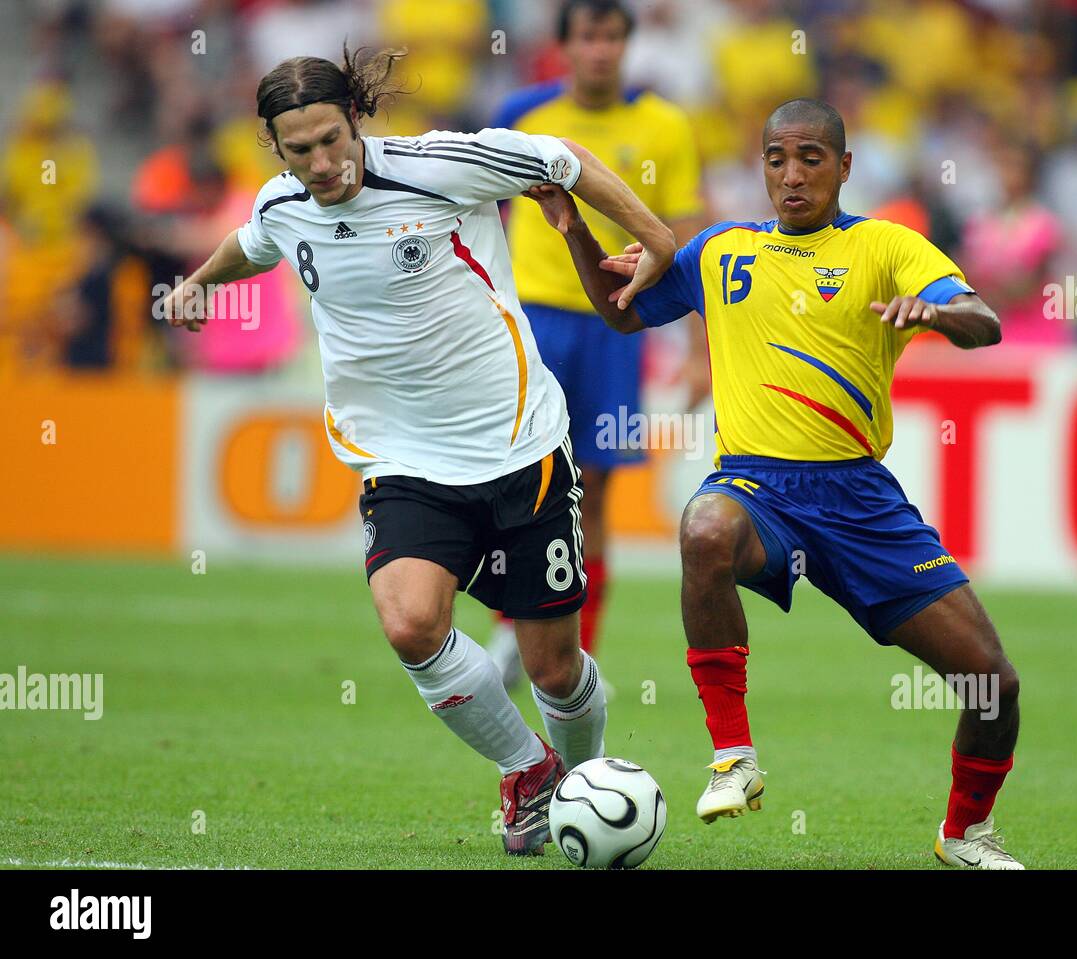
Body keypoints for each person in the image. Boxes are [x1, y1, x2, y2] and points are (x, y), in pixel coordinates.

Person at [160, 44, 676, 856]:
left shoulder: (441, 166)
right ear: (276, 147)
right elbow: (252, 242)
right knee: (409, 624)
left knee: (555, 670)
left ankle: (586, 784)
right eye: (301, 150)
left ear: (356, 119)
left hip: (521, 449)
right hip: (403, 464)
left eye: (333, 139)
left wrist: (657, 241)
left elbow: (567, 157)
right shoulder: (284, 204)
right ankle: (529, 772)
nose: (323, 163)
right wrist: (197, 282)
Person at [523, 98, 1025, 869]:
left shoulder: (886, 245)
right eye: (775, 159)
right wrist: (577, 230)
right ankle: (734, 755)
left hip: (859, 500)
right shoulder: (720, 250)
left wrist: (935, 312)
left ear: (844, 168)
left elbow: (983, 318)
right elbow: (624, 313)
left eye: (811, 159)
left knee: (993, 684)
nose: (791, 176)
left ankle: (965, 834)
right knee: (705, 529)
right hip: (757, 488)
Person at [488, 0, 707, 684]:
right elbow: (472, 216)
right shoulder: (521, 116)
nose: (602, 50)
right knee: (520, 481)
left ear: (628, 43)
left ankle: (581, 655)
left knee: (595, 490)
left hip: (614, 321)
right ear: (566, 46)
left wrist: (702, 351)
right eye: (589, 37)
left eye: (613, 37)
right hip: (533, 322)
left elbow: (690, 238)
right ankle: (510, 634)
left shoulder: (664, 125)